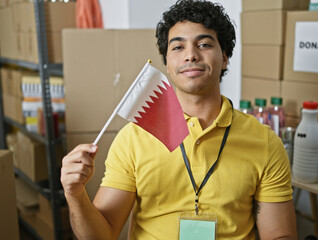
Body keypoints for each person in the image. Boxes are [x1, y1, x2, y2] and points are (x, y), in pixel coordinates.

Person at [61, 0, 297, 239]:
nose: (191, 55)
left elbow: (279, 235)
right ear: (167, 62)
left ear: (225, 58)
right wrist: (75, 195)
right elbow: (101, 235)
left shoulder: (264, 142)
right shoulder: (133, 138)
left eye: (204, 44)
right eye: (178, 47)